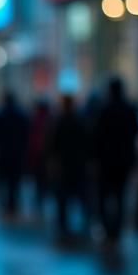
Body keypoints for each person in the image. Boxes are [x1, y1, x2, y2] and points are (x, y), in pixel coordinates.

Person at [93, 76, 138, 242]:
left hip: (107, 161)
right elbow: (135, 133)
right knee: (120, 196)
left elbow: (97, 137)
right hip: (123, 161)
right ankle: (116, 230)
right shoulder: (130, 109)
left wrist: (95, 159)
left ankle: (108, 229)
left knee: (105, 197)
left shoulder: (104, 110)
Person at [47, 93, 89, 236]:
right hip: (76, 164)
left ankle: (63, 225)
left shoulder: (59, 122)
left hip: (64, 165)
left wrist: (53, 163)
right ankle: (83, 224)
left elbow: (53, 145)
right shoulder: (79, 121)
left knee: (63, 197)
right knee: (79, 196)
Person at [0, 90, 29, 215]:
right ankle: (14, 203)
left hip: (4, 153)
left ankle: (6, 202)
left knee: (5, 179)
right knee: (15, 180)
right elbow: (26, 134)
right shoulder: (20, 115)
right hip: (17, 152)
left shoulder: (1, 115)